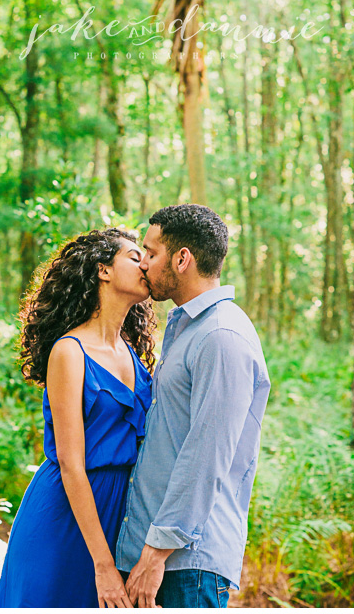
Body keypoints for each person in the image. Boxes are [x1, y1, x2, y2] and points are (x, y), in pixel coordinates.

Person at [116, 204, 271, 608]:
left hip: (187, 563)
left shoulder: (222, 335)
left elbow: (207, 455)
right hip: (160, 555)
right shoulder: (187, 328)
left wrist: (156, 553)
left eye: (151, 253)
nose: (143, 263)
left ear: (182, 259)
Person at [0, 228, 157, 608]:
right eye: (134, 257)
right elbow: (70, 464)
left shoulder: (131, 351)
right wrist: (103, 565)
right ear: (103, 270)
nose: (145, 264)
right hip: (66, 514)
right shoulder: (69, 351)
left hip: (120, 512)